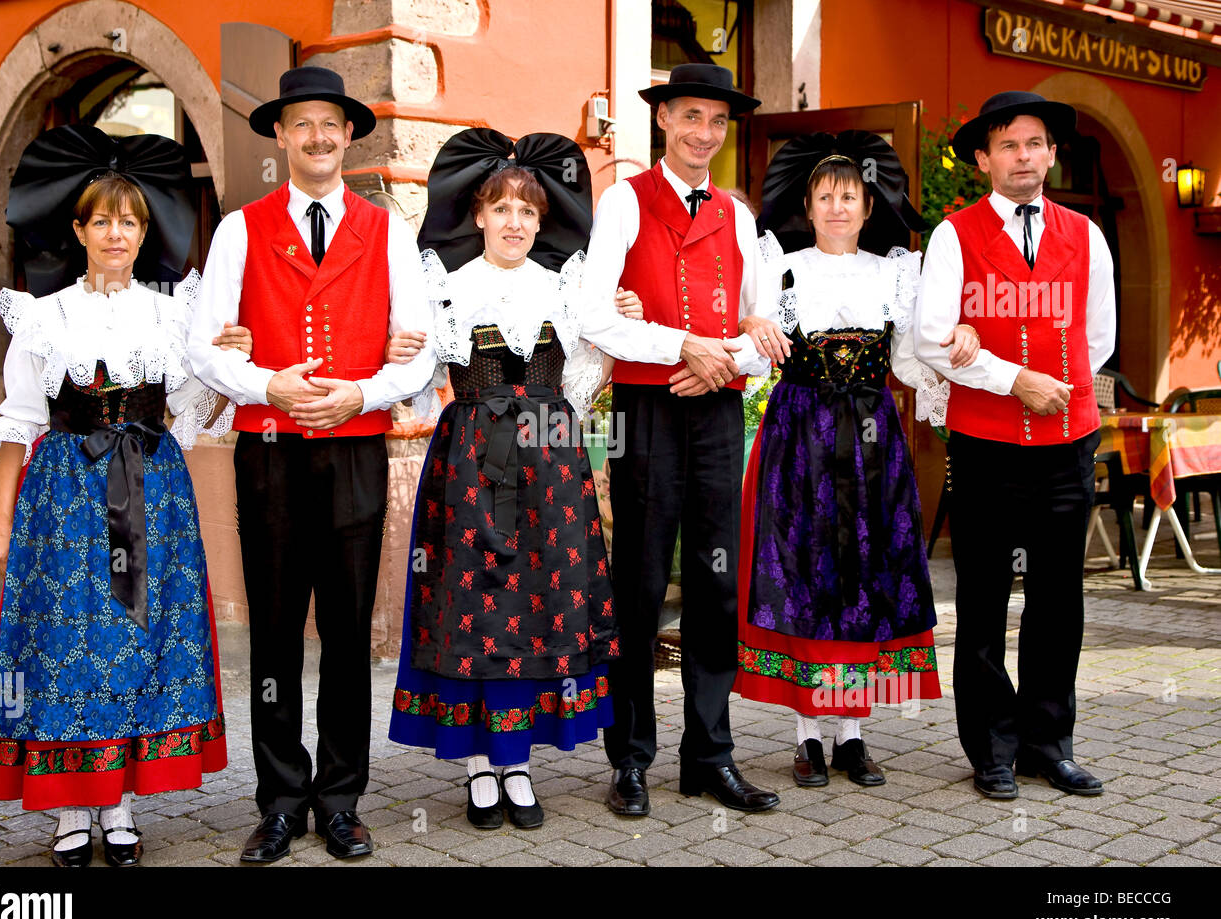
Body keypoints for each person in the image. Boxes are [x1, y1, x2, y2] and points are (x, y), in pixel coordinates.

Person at [383, 128, 740, 827]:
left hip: (549, 463)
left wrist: (622, 324)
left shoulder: (567, 291)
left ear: (540, 223)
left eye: (527, 211)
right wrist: (399, 349)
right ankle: (479, 767)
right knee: (474, 603)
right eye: (501, 208)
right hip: (470, 463)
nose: (514, 222)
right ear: (478, 216)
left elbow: (582, 381)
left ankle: (517, 764)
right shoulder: (445, 292)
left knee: (536, 603)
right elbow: (418, 386)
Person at [0, 125, 248, 866]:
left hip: (153, 494)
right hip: (62, 500)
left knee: (135, 642)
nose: (116, 233)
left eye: (128, 221)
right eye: (102, 220)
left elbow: (193, 410)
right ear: (79, 228)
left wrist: (229, 365)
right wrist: (0, 519)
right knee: (66, 643)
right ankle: (69, 812)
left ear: (142, 229)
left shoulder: (172, 315)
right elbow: (19, 422)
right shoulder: (43, 315)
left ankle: (119, 806)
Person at [188, 67, 436, 861]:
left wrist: (359, 395)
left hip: (356, 449)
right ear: (281, 136)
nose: (319, 136)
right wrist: (268, 383)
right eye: (304, 124)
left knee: (347, 631)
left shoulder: (390, 230)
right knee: (272, 634)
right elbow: (201, 344)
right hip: (268, 453)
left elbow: (420, 351)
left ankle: (340, 799)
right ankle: (279, 801)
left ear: (350, 135)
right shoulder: (239, 229)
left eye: (331, 123)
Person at [735, 131, 977, 788]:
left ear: (868, 207)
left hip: (872, 438)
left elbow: (909, 357)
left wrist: (956, 347)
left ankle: (853, 733)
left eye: (850, 195)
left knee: (862, 571)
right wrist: (744, 338)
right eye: (825, 196)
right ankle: (807, 735)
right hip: (801, 434)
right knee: (807, 570)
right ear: (808, 206)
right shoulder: (782, 268)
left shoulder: (894, 272)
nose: (838, 206)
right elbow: (760, 354)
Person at [581, 63, 780, 816]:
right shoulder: (625, 202)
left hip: (718, 409)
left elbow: (768, 329)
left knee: (716, 581)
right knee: (637, 579)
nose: (704, 133)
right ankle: (630, 757)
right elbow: (594, 316)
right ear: (663, 120)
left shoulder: (740, 216)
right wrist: (683, 346)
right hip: (644, 407)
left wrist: (723, 358)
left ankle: (710, 755)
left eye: (717, 122)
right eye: (691, 117)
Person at [913, 91, 1116, 799]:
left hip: (1067, 442)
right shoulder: (953, 235)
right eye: (1007, 145)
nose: (1023, 156)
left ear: (1051, 154)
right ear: (983, 159)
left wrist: (1057, 390)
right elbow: (931, 339)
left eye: (1034, 143)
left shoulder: (1085, 235)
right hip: (987, 443)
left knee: (1060, 600)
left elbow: (1099, 336)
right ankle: (991, 750)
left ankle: (1047, 744)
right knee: (984, 599)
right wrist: (1015, 381)